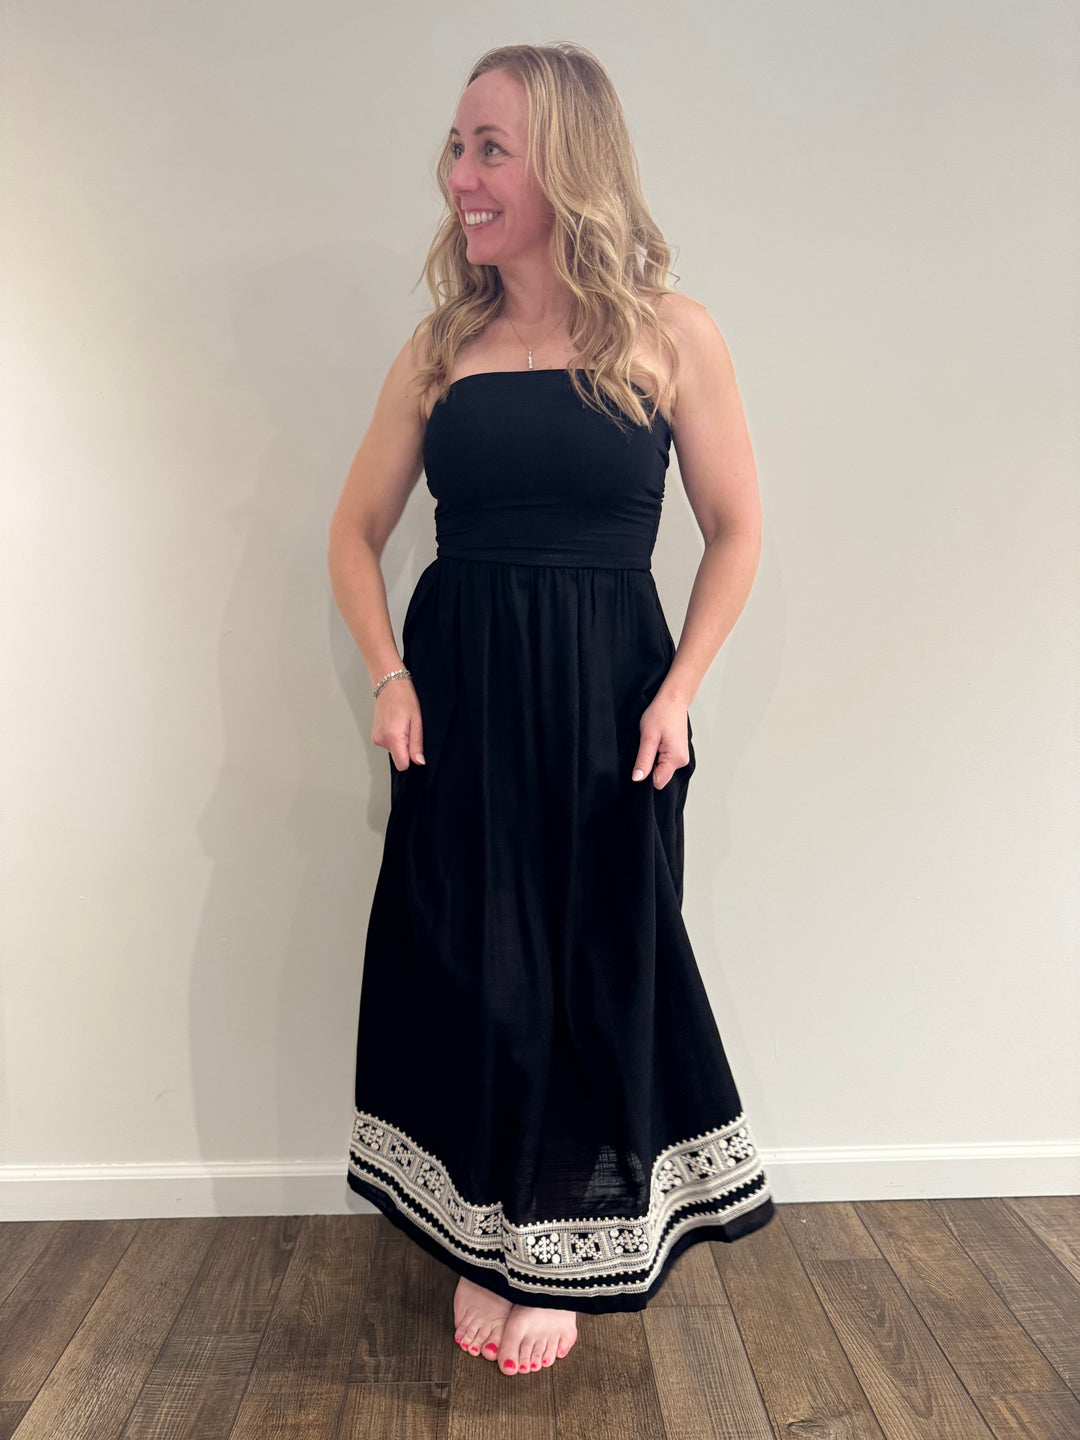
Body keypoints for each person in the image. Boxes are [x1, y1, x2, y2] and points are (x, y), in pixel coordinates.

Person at [328, 42, 775, 1379]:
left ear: (567, 165)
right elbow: (352, 534)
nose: (460, 175)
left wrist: (681, 691)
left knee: (591, 966)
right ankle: (488, 1233)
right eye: (455, 146)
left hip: (609, 704)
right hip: (460, 697)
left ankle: (560, 1246)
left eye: (491, 149)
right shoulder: (440, 347)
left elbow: (738, 529)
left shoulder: (670, 333)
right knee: (473, 967)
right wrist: (390, 675)